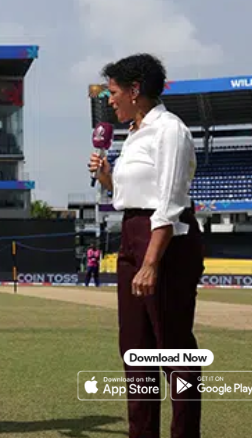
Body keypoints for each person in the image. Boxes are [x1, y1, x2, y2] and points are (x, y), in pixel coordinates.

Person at [88, 53, 204, 438]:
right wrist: (107, 179)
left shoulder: (169, 130)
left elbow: (169, 202)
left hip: (167, 241)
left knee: (173, 347)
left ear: (135, 90)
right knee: (135, 349)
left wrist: (151, 262)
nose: (110, 100)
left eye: (114, 92)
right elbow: (131, 197)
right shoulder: (134, 134)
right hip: (131, 235)